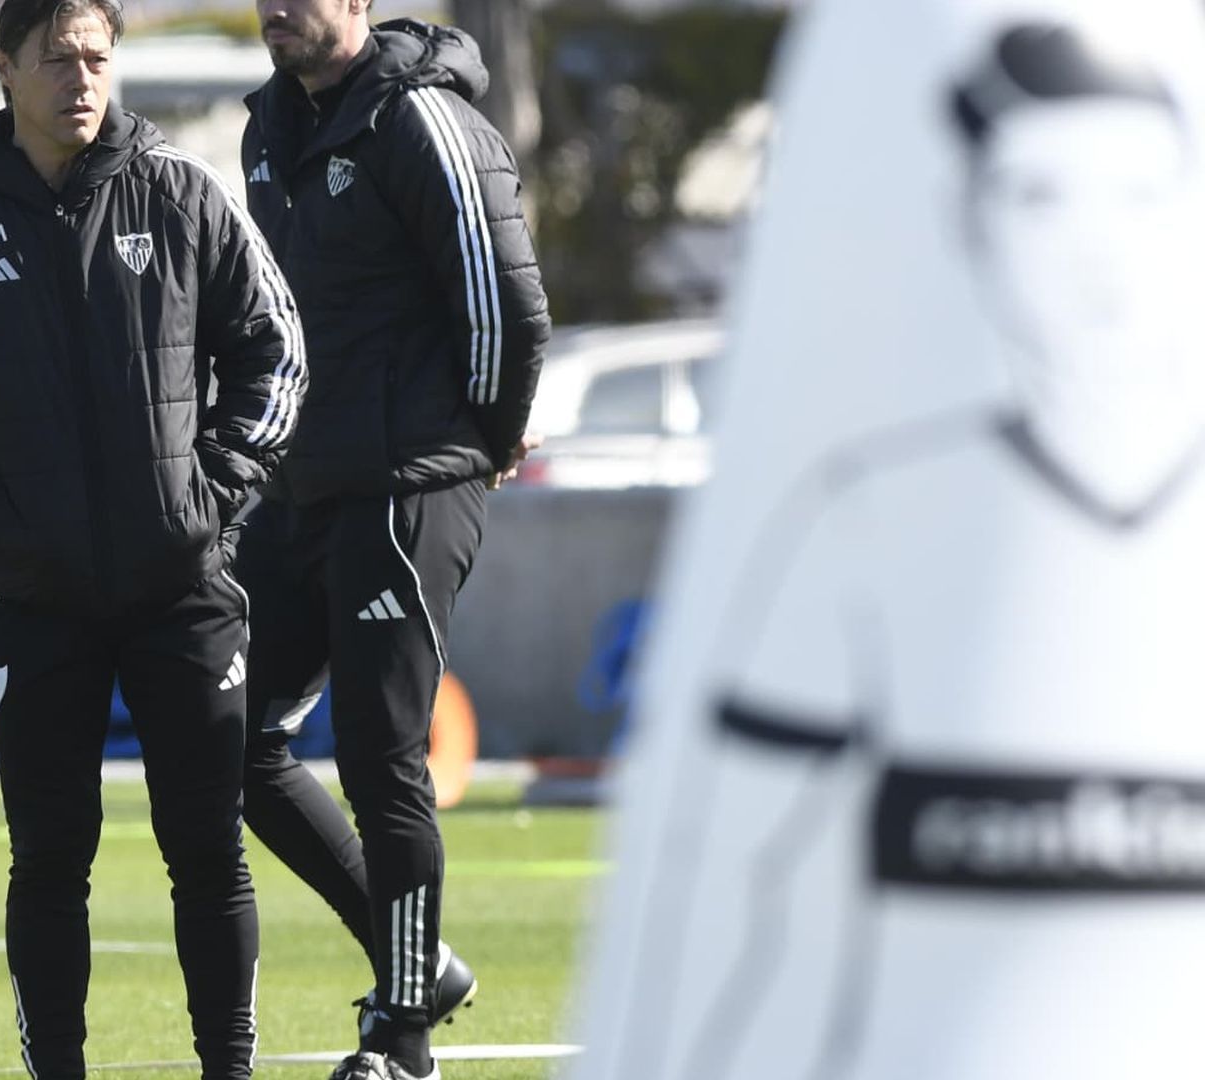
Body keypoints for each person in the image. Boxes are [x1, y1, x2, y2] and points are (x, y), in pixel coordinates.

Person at [634, 22, 1205, 1080]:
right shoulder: (860, 524)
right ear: (969, 219)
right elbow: (721, 888)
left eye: (1137, 194)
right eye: (1042, 197)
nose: (1097, 246)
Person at [0, 1, 308, 1076]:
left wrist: (216, 491)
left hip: (185, 590)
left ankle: (229, 1069)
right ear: (5, 66)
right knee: (51, 861)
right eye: (57, 58)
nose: (81, 79)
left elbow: (276, 354)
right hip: (41, 600)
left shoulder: (186, 194)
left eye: (98, 57)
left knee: (208, 856)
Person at [234, 3, 550, 1078]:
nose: (279, 8)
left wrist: (489, 442)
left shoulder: (423, 122)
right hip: (301, 489)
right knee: (228, 734)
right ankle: (417, 958)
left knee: (381, 757)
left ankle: (402, 1039)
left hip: (410, 487)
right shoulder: (266, 127)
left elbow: (509, 306)